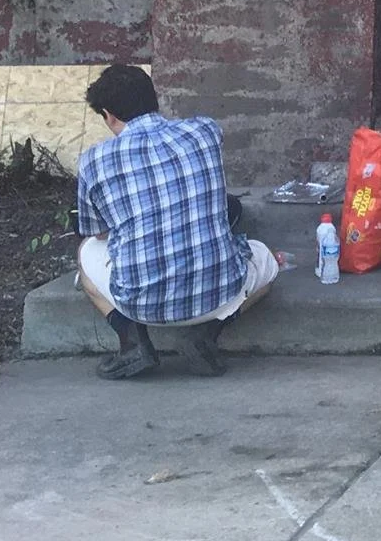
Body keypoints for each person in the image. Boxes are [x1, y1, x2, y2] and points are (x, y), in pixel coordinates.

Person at [74, 65, 279, 379]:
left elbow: (98, 232)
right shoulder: (205, 131)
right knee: (266, 262)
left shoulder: (93, 160)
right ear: (154, 100)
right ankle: (203, 336)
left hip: (141, 304)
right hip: (218, 294)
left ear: (108, 115)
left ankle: (132, 342)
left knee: (86, 252)